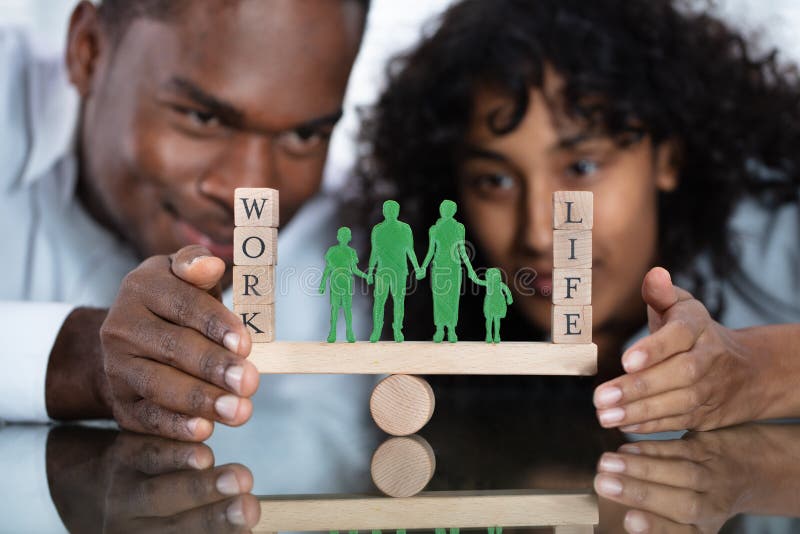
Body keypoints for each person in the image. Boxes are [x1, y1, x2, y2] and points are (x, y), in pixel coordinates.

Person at [355, 0, 800, 435]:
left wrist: (755, 369)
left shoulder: (782, 238)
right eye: (494, 180)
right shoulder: (421, 334)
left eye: (582, 167)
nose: (537, 235)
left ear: (667, 158)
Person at [0, 0, 370, 441]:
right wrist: (76, 356)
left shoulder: (340, 251)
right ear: (89, 51)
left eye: (305, 136)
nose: (249, 193)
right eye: (203, 118)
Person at [418, 199, 477, 342]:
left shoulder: (459, 228)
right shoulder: (434, 229)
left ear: (453, 211)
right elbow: (431, 251)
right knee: (439, 298)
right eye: (445, 209)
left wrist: (470, 269)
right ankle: (439, 329)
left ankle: (451, 329)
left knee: (452, 298)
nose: (446, 211)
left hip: (453, 266)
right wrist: (423, 267)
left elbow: (462, 250)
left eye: (449, 209)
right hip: (439, 266)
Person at [366, 200, 422, 342]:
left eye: (393, 209)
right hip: (383, 270)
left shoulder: (405, 229)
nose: (390, 212)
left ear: (397, 211)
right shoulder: (378, 230)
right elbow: (375, 252)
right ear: (384, 212)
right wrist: (370, 272)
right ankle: (377, 330)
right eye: (388, 209)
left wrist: (417, 268)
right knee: (379, 301)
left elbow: (410, 250)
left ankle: (397, 329)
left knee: (399, 301)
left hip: (399, 270)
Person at [319, 226, 369, 343]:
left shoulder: (351, 252)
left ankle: (350, 332)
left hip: (347, 282)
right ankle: (333, 332)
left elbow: (355, 269)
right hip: (335, 281)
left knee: (347, 308)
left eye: (346, 236)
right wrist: (322, 284)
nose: (344, 238)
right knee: (335, 308)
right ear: (338, 237)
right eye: (342, 235)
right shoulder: (332, 251)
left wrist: (365, 276)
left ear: (349, 238)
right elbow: (328, 269)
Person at [470, 268, 514, 344]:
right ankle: (489, 335)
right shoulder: (488, 283)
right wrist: (472, 275)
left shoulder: (500, 285)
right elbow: (477, 281)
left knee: (496, 319)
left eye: (496, 276)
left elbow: (507, 291)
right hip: (490, 303)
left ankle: (496, 335)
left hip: (498, 303)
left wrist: (509, 298)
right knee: (489, 319)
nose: (494, 277)